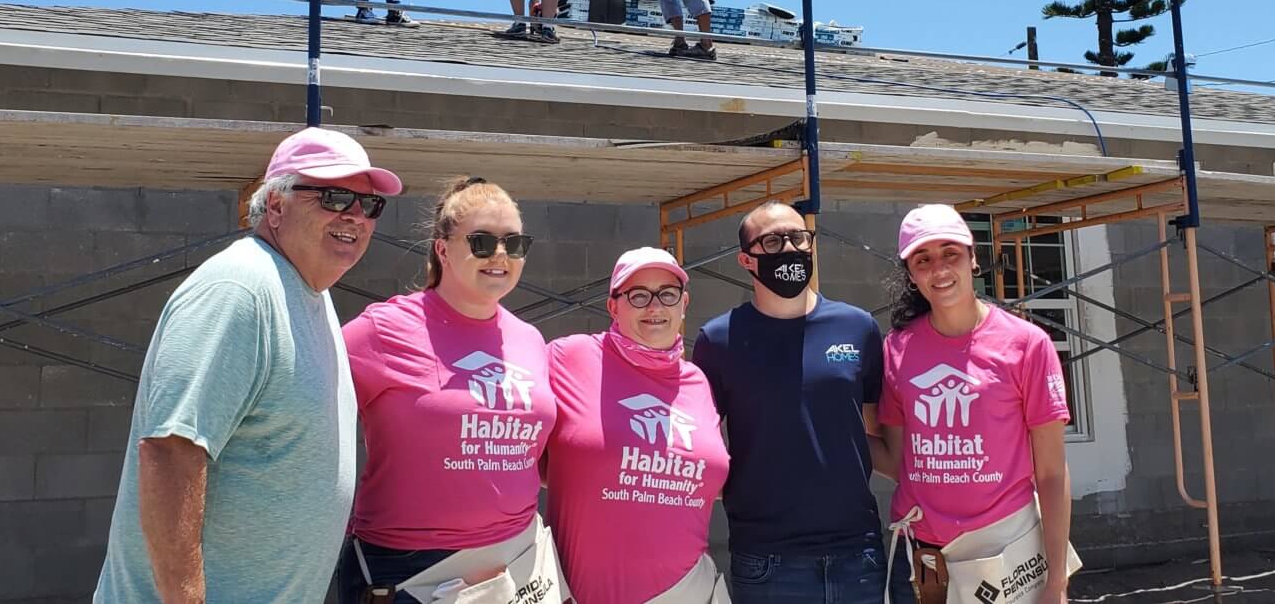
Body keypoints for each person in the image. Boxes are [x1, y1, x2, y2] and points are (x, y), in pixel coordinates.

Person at [94, 128, 403, 604]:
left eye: (370, 205)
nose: (355, 216)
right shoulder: (239, 290)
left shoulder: (308, 293)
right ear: (275, 206)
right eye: (336, 196)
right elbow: (170, 451)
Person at [337, 177, 566, 603]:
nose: (500, 255)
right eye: (481, 242)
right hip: (412, 570)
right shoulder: (382, 330)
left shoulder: (530, 340)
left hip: (518, 562)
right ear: (442, 249)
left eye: (513, 244)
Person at [690, 201, 913, 603]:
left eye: (798, 237)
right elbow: (701, 445)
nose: (789, 248)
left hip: (856, 553)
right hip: (767, 558)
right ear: (746, 260)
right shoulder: (719, 340)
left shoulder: (857, 327)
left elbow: (873, 435)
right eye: (772, 241)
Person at [875, 205, 1076, 604]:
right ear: (911, 274)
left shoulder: (1026, 345)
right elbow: (900, 462)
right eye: (923, 259)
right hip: (923, 561)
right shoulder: (896, 350)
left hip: (1006, 555)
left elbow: (1051, 473)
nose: (939, 269)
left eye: (951, 253)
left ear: (973, 258)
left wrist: (1057, 580)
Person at [545, 247, 731, 603]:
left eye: (667, 294)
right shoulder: (570, 358)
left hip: (689, 592)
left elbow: (708, 479)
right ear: (613, 306)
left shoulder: (697, 383)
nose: (655, 307)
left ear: (684, 303)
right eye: (638, 295)